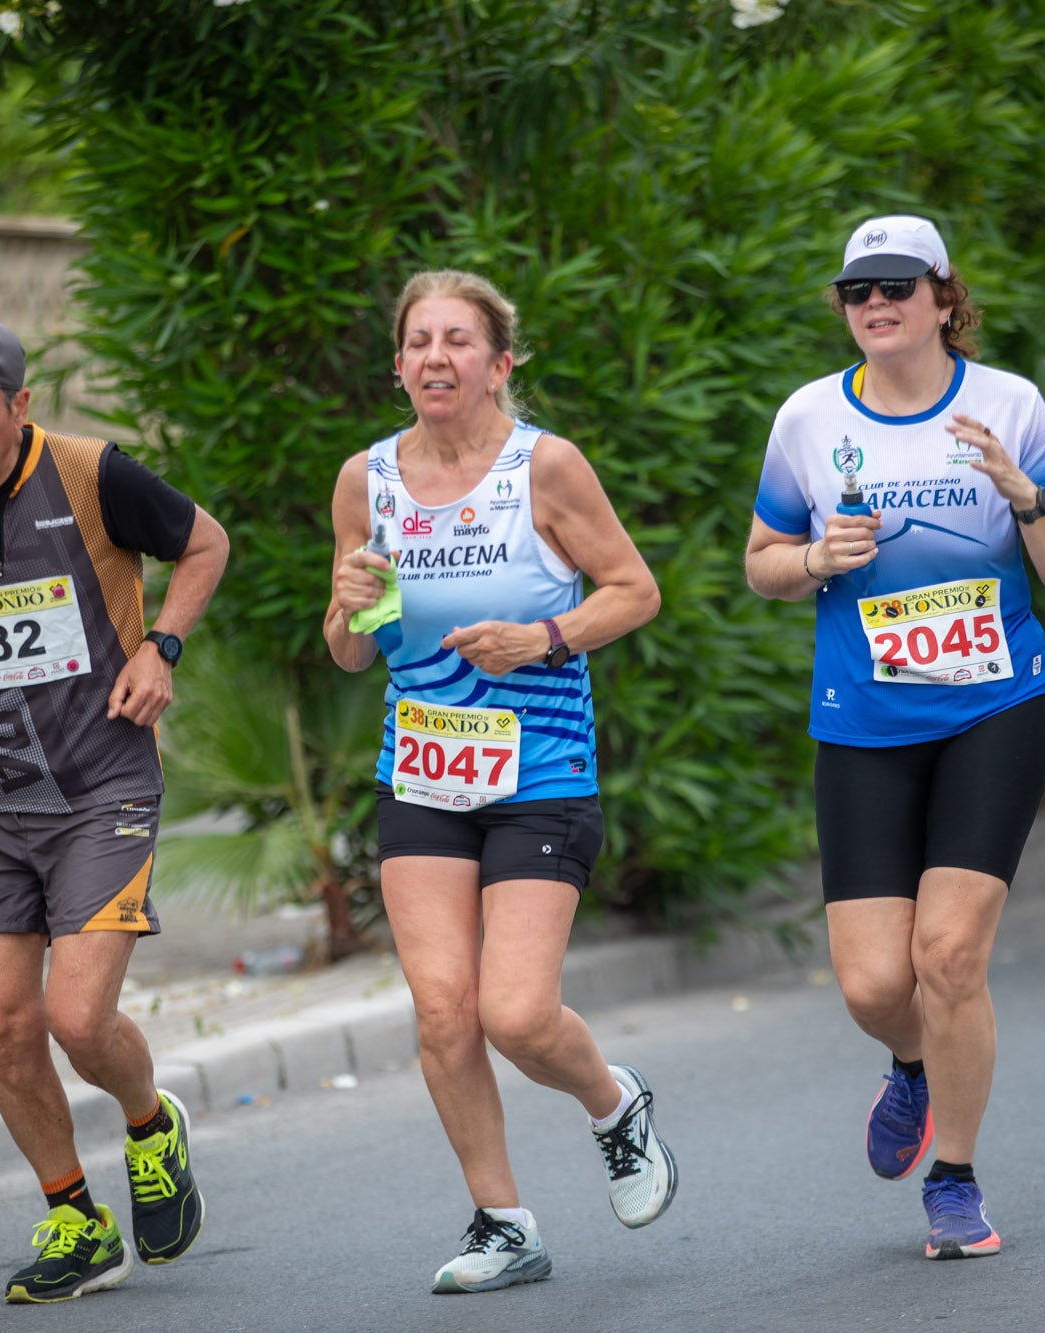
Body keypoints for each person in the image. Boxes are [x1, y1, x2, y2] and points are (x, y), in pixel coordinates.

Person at [0, 313, 230, 1303]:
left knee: (74, 1014)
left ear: (19, 404)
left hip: (104, 781)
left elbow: (204, 545)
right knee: (2, 1023)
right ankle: (74, 1215)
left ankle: (150, 1124)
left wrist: (163, 647)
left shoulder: (94, 474)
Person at [744, 216, 1045, 1259]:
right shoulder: (808, 417)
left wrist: (1022, 493)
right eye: (857, 290)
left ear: (945, 298)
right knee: (870, 985)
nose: (875, 304)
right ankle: (910, 1065)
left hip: (992, 708)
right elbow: (760, 558)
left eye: (898, 285)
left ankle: (954, 1175)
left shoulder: (1008, 406)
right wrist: (812, 561)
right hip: (863, 722)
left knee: (946, 956)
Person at [324, 270, 673, 1294]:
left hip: (541, 769)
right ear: (397, 365)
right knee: (442, 1008)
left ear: (499, 363)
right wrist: (346, 610)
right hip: (421, 767)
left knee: (515, 1014)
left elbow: (635, 589)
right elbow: (350, 651)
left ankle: (614, 1105)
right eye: (418, 341)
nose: (436, 357)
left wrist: (545, 634)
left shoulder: (544, 468)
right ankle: (500, 1220)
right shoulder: (367, 480)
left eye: (459, 341)